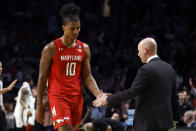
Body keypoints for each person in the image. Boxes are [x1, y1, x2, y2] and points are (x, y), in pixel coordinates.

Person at [35, 3, 102, 131]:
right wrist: (39, 107)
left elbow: (87, 76)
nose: (76, 32)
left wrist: (98, 94)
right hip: (58, 97)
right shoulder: (51, 48)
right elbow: (42, 78)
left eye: (78, 28)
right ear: (63, 27)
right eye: (72, 29)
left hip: (77, 97)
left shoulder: (85, 48)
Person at [93, 37, 180, 131]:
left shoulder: (146, 69)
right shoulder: (169, 68)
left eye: (139, 51)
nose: (138, 54)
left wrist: (107, 100)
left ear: (146, 51)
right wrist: (175, 120)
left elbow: (132, 92)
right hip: (166, 124)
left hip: (147, 124)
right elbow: (174, 97)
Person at [0, 61, 17, 131]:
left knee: (4, 127)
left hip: (0, 108)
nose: (1, 68)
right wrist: (7, 89)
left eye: (1, 66)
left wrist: (1, 105)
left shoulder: (0, 81)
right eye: (0, 67)